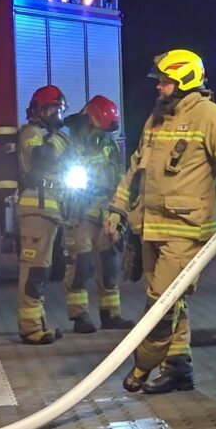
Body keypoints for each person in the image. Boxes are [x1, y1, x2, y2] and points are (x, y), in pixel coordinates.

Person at [106, 48, 216, 394]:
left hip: (186, 230)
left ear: (184, 81)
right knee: (171, 301)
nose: (159, 87)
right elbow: (137, 168)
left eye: (165, 81)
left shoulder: (211, 117)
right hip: (151, 226)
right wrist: (118, 208)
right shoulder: (157, 118)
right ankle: (178, 369)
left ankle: (141, 368)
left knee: (160, 306)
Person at [62, 96, 136, 334]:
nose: (107, 134)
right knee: (80, 265)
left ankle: (111, 315)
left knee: (109, 264)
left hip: (105, 211)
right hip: (80, 212)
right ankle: (79, 316)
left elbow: (118, 172)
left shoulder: (109, 143)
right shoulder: (71, 141)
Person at [16, 85, 71, 345]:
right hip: (35, 212)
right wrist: (61, 139)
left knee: (43, 270)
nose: (58, 114)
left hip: (47, 213)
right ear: (41, 110)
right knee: (33, 271)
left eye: (60, 110)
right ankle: (30, 329)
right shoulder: (31, 133)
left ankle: (38, 323)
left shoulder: (47, 134)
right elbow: (41, 158)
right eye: (54, 109)